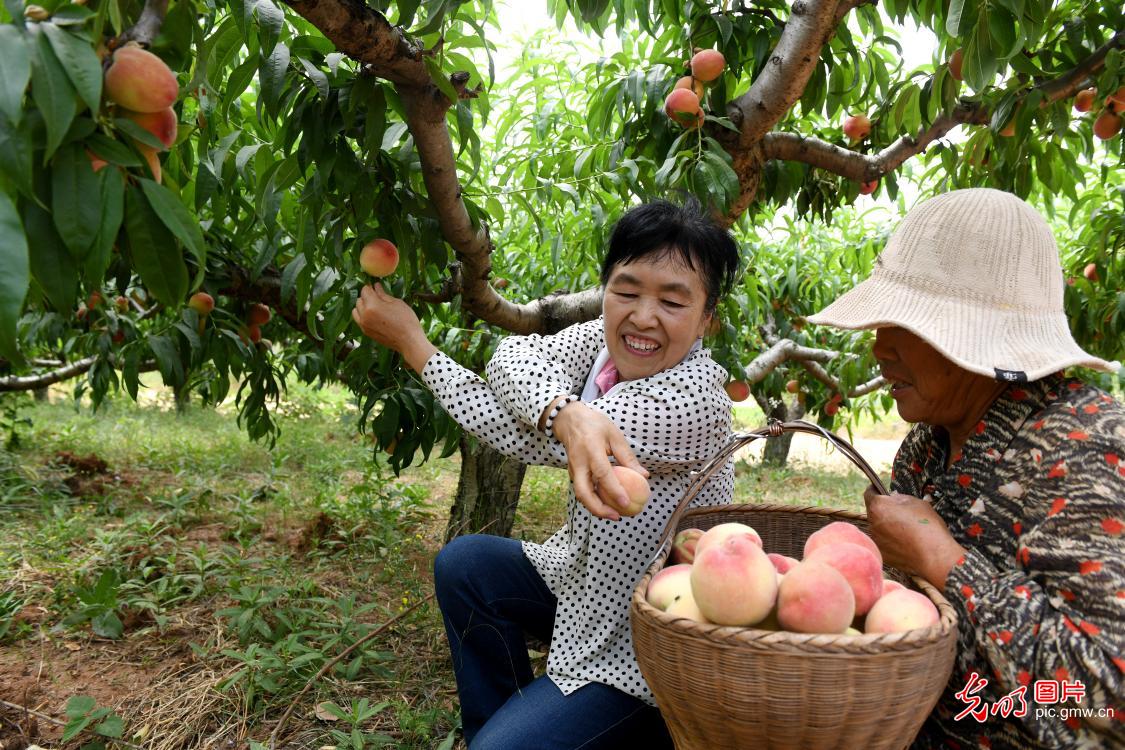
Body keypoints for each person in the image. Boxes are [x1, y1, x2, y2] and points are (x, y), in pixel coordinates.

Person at [351, 199, 741, 748]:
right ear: (605, 290)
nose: (643, 316)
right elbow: (511, 356)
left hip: (643, 644)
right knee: (467, 565)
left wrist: (414, 344)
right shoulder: (600, 345)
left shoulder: (694, 400)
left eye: (673, 301)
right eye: (626, 291)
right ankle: (503, 725)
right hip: (579, 579)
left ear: (707, 318)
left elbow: (508, 429)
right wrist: (569, 413)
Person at [806, 187, 1125, 749]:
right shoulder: (926, 449)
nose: (879, 348)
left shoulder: (1084, 444)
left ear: (972, 338)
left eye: (904, 325)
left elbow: (1106, 694)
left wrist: (948, 564)